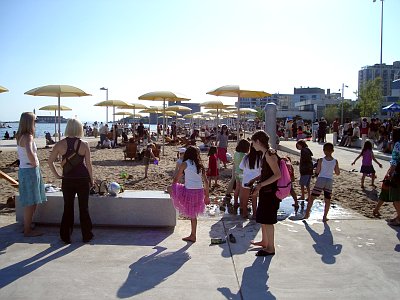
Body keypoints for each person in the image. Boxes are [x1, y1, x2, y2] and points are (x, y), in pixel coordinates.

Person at [48, 118, 94, 244]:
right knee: (83, 207)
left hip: (67, 179)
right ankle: (86, 235)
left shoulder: (60, 144)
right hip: (83, 179)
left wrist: (57, 175)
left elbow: (50, 161)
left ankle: (66, 236)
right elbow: (89, 165)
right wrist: (92, 179)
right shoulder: (84, 144)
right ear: (79, 129)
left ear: (67, 128)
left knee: (68, 207)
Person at [247, 131, 281, 256]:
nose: (252, 145)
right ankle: (265, 242)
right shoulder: (266, 153)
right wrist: (256, 180)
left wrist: (261, 184)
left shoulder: (269, 154)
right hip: (266, 191)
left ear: (258, 142)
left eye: (253, 142)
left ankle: (270, 248)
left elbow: (278, 175)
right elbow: (268, 172)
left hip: (270, 192)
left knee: (268, 220)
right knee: (264, 218)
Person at [169, 146, 210, 242]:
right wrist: (207, 196)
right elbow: (206, 182)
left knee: (170, 189)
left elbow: (177, 177)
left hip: (189, 191)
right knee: (193, 214)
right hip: (199, 192)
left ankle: (193, 235)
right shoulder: (200, 165)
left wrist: (173, 187)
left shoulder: (184, 164)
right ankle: (193, 234)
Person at [16, 112, 47, 237]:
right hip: (29, 170)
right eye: (35, 121)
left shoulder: (20, 136)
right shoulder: (28, 136)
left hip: (24, 170)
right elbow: (29, 151)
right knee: (31, 202)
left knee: (31, 200)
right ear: (30, 122)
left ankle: (27, 226)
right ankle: (28, 230)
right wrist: (34, 162)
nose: (36, 123)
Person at [303, 143, 340, 222]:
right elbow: (337, 172)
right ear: (332, 151)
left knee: (312, 197)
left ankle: (307, 213)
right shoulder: (335, 161)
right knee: (327, 199)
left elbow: (317, 171)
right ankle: (324, 216)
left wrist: (315, 174)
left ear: (324, 151)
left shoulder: (321, 160)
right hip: (329, 180)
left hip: (321, 179)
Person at [382, 127, 400, 226]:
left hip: (398, 174)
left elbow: (395, 161)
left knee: (396, 198)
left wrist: (390, 173)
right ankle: (398, 216)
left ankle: (399, 218)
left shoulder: (397, 145)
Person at [239, 144, 261, 219]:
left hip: (246, 180)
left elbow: (241, 167)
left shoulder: (246, 157)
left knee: (245, 198)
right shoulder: (260, 158)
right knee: (254, 198)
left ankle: (245, 213)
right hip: (255, 180)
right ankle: (255, 214)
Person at [233, 139, 250, 216]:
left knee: (237, 188)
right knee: (243, 191)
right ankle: (243, 206)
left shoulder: (236, 153)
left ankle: (236, 202)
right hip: (243, 174)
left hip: (236, 172)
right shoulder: (244, 156)